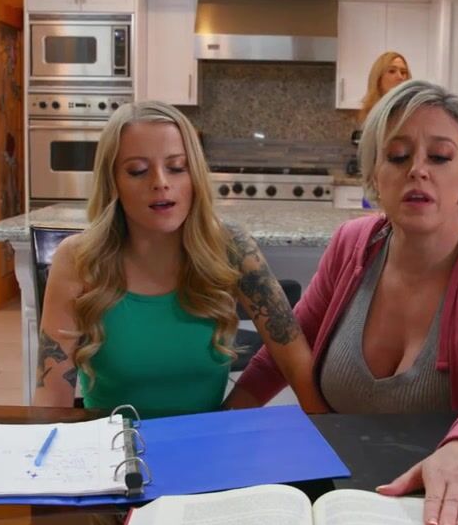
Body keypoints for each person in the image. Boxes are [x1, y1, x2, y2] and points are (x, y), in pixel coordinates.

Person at [229, 80, 458, 525]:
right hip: (336, 497)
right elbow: (284, 350)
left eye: (439, 157)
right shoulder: (352, 246)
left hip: (439, 508)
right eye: (398, 156)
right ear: (375, 174)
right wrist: (218, 429)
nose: (417, 170)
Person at [32, 101, 327, 417]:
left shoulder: (232, 246)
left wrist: (334, 438)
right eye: (138, 170)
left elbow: (295, 362)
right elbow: (52, 400)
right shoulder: (77, 259)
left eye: (176, 167)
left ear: (195, 175)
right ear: (112, 181)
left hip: (207, 443)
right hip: (114, 444)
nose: (160, 182)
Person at [358, 51, 412, 124]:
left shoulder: (412, 112)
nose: (400, 77)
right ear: (378, 79)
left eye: (403, 72)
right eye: (392, 71)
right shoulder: (372, 115)